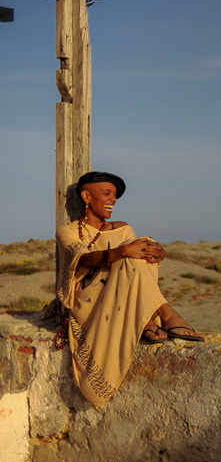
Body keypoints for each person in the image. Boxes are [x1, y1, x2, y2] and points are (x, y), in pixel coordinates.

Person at [55, 171, 203, 406]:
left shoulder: (123, 228)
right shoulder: (69, 231)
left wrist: (156, 252)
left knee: (140, 244)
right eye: (106, 193)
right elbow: (82, 260)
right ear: (86, 196)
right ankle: (163, 314)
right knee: (129, 250)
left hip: (122, 293)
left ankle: (149, 320)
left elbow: (137, 260)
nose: (113, 199)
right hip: (90, 301)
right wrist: (123, 251)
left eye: (115, 195)